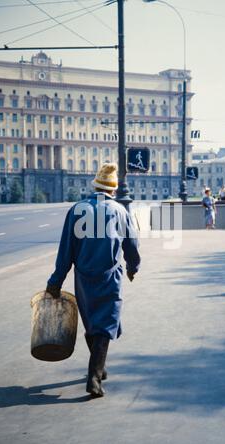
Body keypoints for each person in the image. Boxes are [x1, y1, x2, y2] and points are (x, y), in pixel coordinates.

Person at [46, 163, 141, 398]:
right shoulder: (120, 211)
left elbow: (65, 250)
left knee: (92, 323)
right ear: (114, 188)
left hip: (84, 278)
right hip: (110, 277)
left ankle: (99, 368)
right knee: (105, 324)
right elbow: (131, 245)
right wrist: (133, 267)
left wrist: (55, 281)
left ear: (95, 186)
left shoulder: (77, 210)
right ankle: (94, 378)